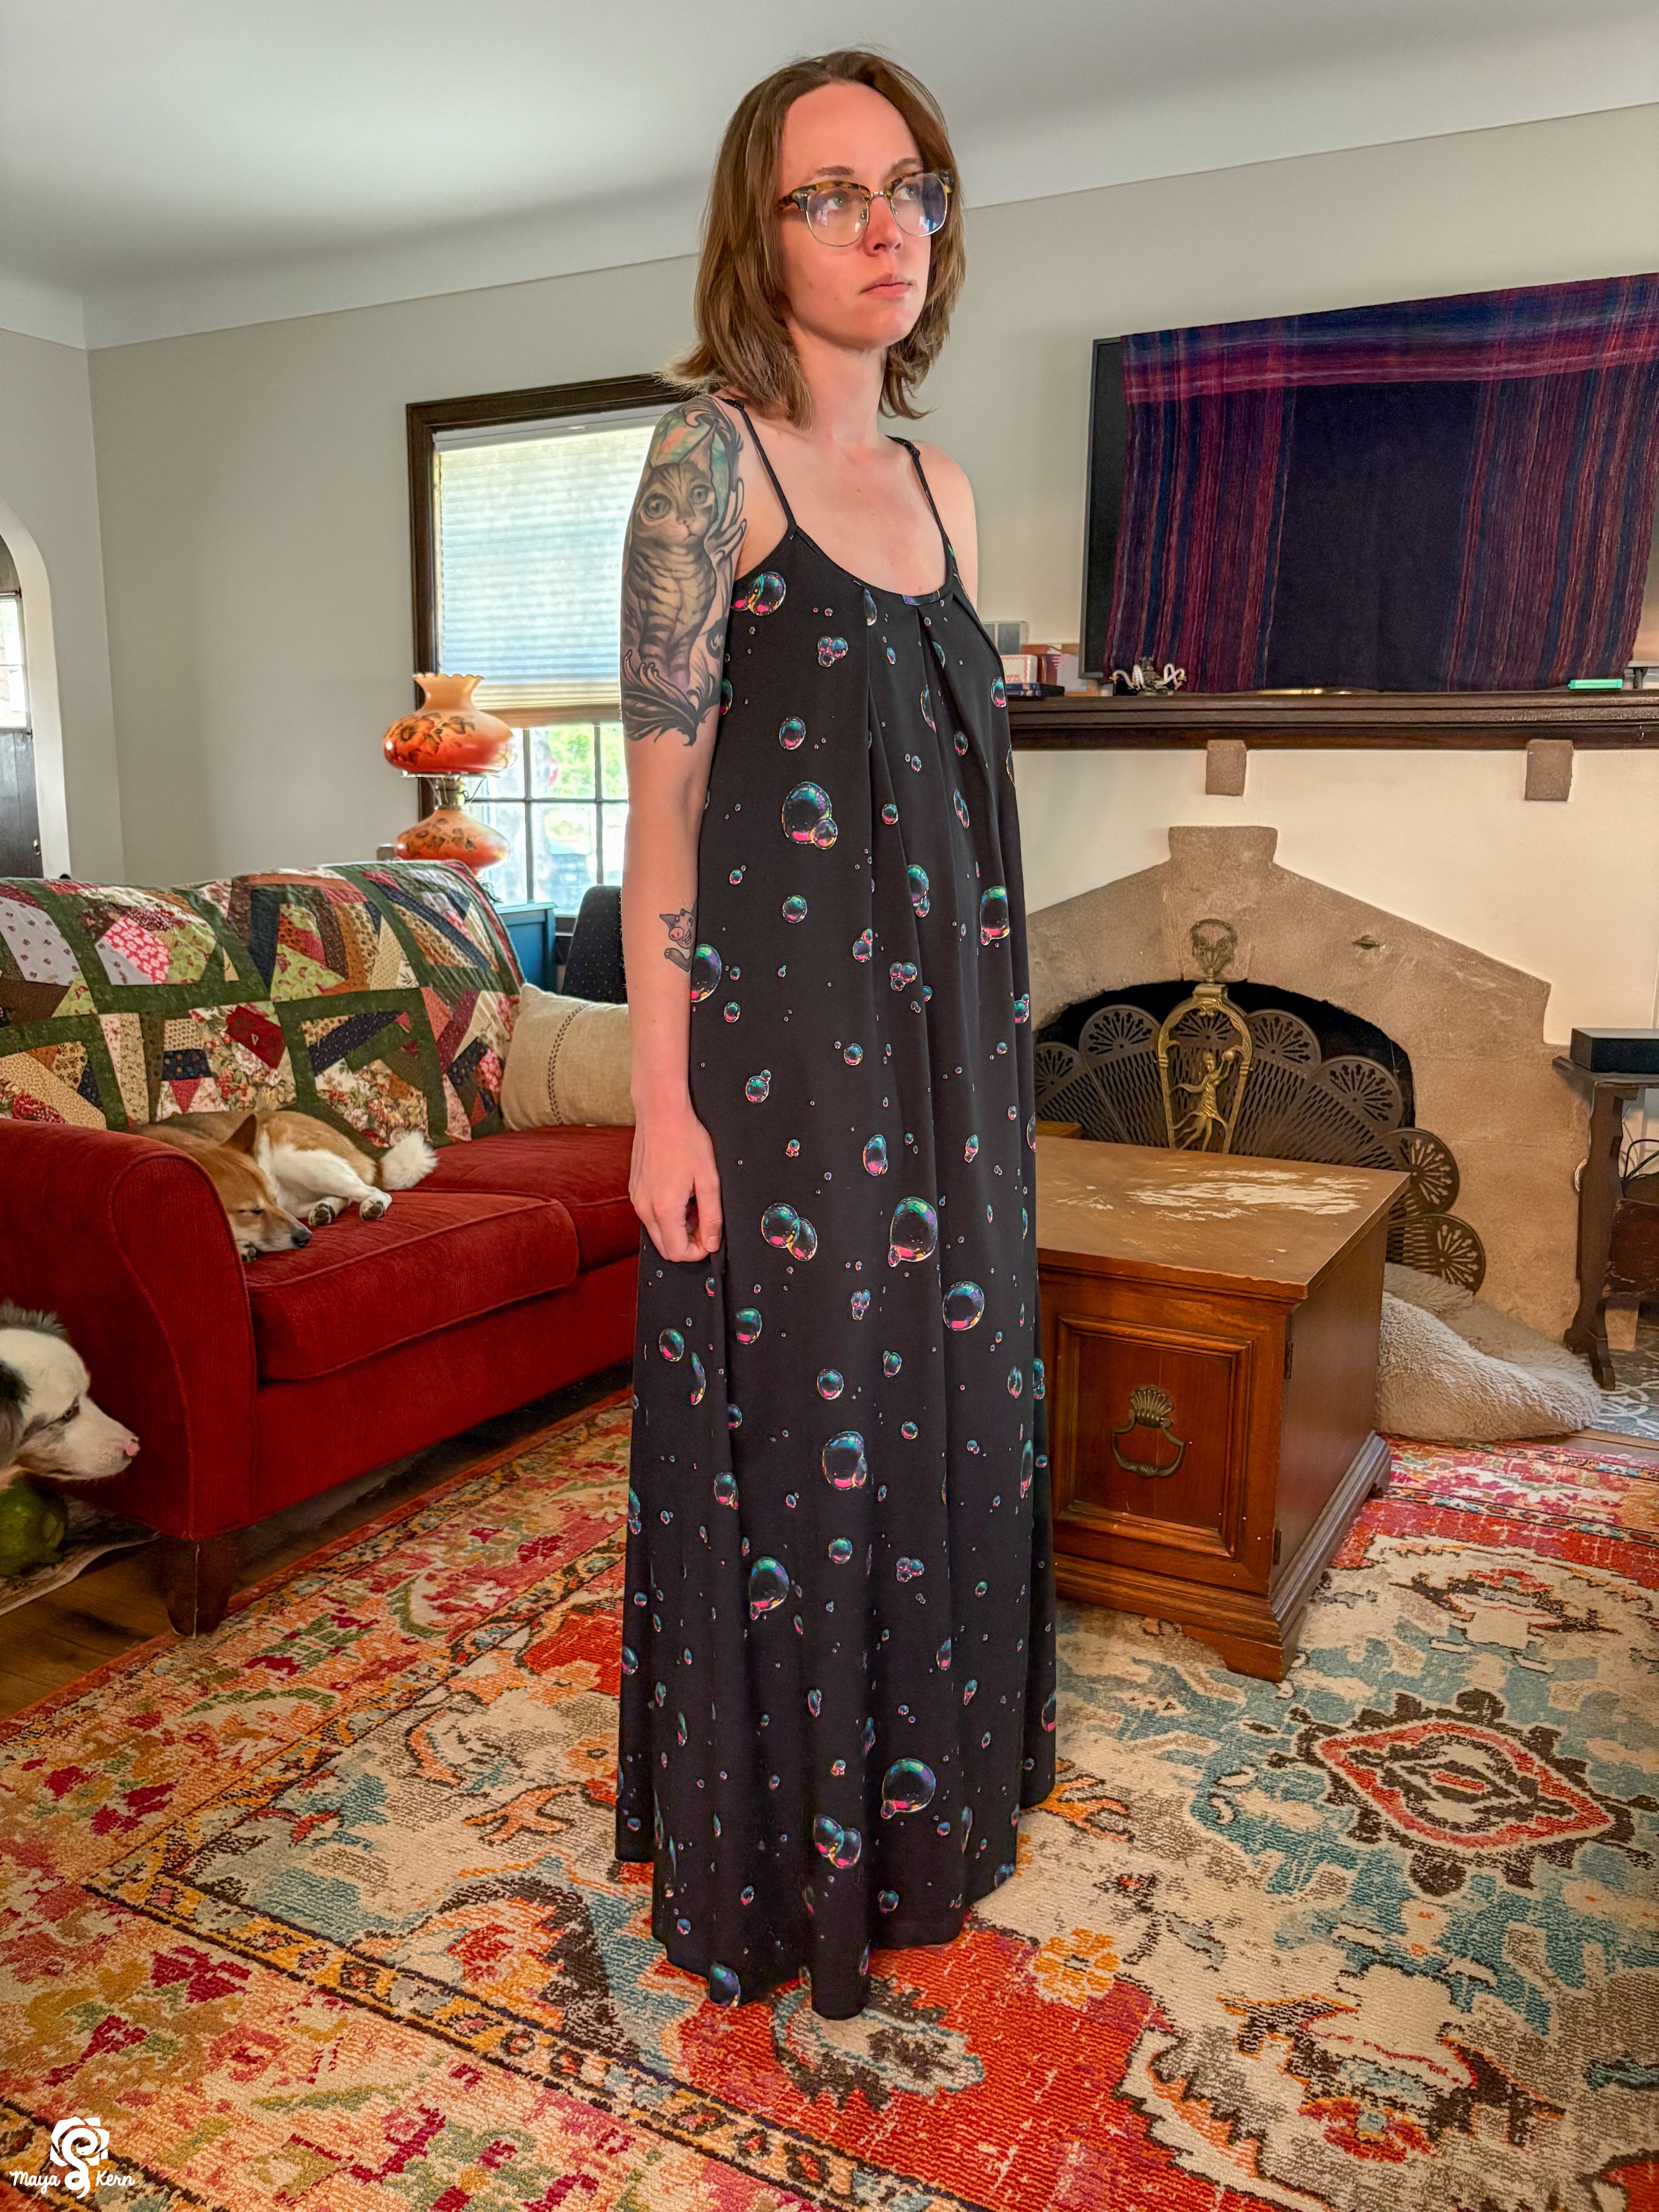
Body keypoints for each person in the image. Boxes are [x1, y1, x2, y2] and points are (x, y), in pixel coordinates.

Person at [614, 47, 1055, 2021]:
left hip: (954, 1051)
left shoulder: (948, 494)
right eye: (833, 195)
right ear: (760, 229)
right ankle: (781, 1859)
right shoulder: (707, 463)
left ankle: (922, 1812)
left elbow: (945, 802)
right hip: (782, 1069)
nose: (887, 228)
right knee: (809, 1443)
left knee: (951, 1406)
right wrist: (658, 1105)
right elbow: (664, 814)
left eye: (913, 189)